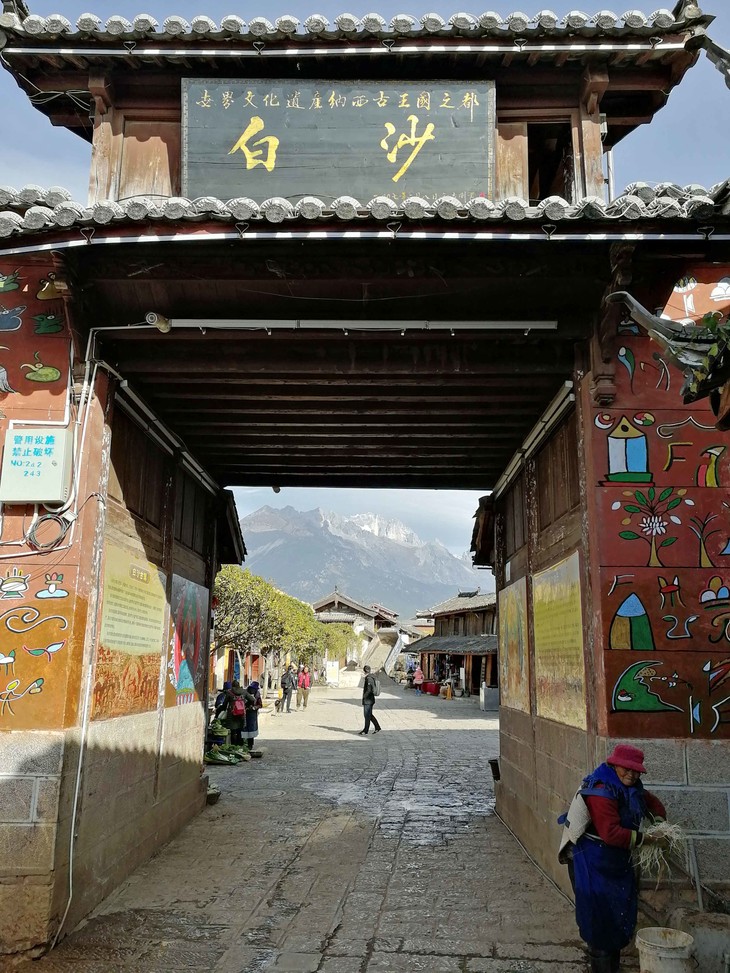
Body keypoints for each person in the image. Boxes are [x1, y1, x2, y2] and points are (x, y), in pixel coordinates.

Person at [558, 744, 667, 973]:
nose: (631, 774)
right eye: (626, 769)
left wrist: (660, 822)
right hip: (591, 859)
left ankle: (612, 967)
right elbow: (611, 834)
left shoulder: (633, 787)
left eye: (636, 771)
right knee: (599, 920)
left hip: (615, 861)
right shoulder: (601, 790)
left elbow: (652, 803)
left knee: (617, 916)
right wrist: (647, 838)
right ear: (614, 765)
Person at [358, 664, 381, 736]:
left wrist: (365, 697)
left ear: (364, 671)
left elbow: (369, 689)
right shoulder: (372, 676)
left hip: (368, 700)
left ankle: (365, 730)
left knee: (367, 715)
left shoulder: (369, 678)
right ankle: (377, 727)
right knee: (369, 715)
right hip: (370, 699)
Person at [223, 679, 247, 745]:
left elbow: (224, 704)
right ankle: (240, 745)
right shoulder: (244, 692)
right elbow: (252, 699)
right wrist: (245, 705)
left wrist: (222, 710)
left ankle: (233, 746)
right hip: (241, 714)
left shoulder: (229, 693)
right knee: (239, 731)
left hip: (232, 714)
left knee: (233, 731)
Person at [242, 680, 263, 750]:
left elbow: (260, 704)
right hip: (244, 713)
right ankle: (243, 743)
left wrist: (254, 707)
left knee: (251, 729)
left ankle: (250, 744)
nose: (253, 690)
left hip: (252, 714)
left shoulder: (257, 695)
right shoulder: (245, 693)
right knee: (243, 728)